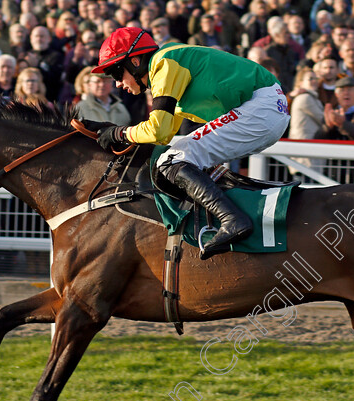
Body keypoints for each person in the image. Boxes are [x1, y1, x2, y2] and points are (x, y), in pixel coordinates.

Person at [89, 27, 290, 259]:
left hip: (260, 108)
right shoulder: (171, 66)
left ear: (134, 61)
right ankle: (223, 216)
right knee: (179, 158)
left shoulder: (164, 63)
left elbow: (157, 130)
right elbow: (165, 134)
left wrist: (118, 134)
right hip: (268, 108)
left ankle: (232, 219)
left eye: (116, 73)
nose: (116, 84)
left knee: (171, 160)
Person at [315, 76, 354, 141]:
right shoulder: (332, 113)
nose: (346, 93)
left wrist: (343, 124)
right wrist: (328, 127)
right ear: (336, 94)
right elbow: (317, 139)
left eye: (350, 89)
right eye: (342, 90)